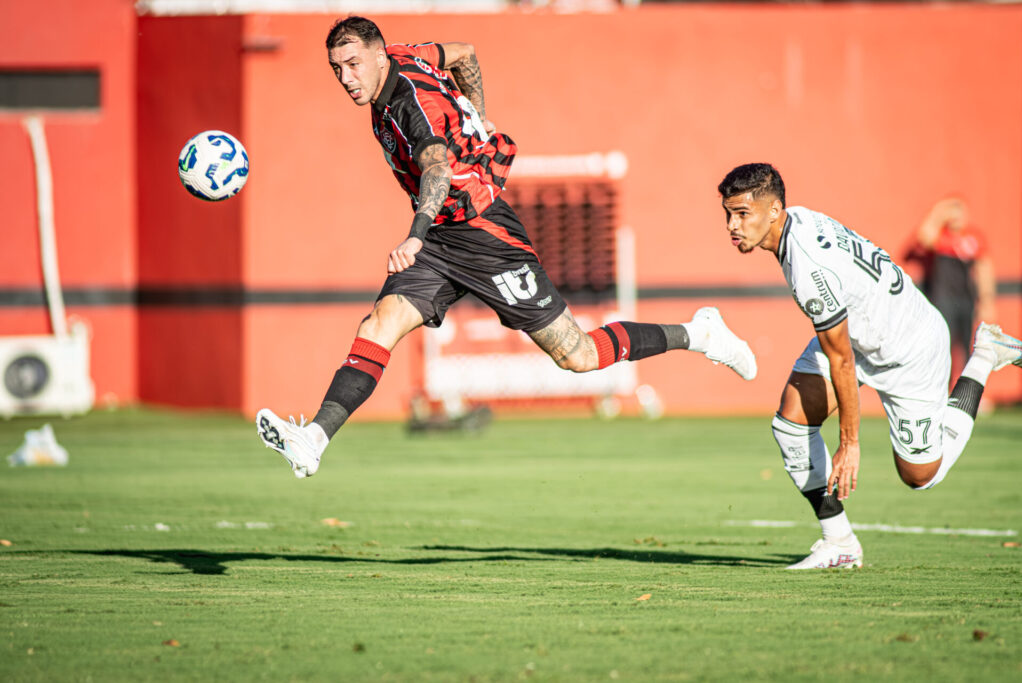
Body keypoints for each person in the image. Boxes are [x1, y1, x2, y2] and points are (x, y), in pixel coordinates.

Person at [254, 16, 757, 478]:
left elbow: (436, 169)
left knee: (577, 354)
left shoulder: (411, 106)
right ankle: (313, 439)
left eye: (353, 64)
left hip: (481, 232)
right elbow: (465, 53)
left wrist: (415, 233)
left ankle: (699, 333)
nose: (346, 78)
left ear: (379, 55)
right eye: (336, 68)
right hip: (442, 238)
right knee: (378, 325)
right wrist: (479, 117)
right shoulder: (407, 55)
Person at [717, 163, 1022, 570]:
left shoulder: (807, 267)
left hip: (909, 348)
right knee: (791, 425)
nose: (732, 225)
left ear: (774, 211)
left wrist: (850, 442)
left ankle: (985, 356)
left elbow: (841, 359)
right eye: (728, 214)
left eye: (742, 214)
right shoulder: (799, 219)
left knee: (920, 476)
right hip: (859, 334)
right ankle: (839, 542)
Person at [904, 197, 997, 373]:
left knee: (969, 348)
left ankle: (968, 387)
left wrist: (987, 301)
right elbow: (924, 237)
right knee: (943, 347)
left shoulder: (972, 238)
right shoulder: (941, 236)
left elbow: (984, 269)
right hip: (943, 301)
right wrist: (939, 212)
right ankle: (943, 387)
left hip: (966, 300)